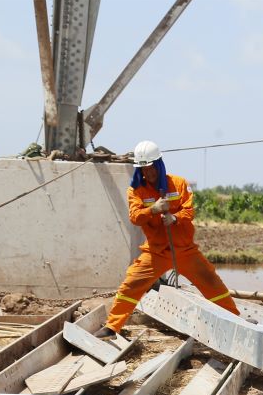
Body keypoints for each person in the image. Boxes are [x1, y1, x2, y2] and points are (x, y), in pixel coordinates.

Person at [95, 140, 239, 338]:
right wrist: (152, 209)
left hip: (185, 250)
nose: (148, 173)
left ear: (159, 165)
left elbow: (189, 210)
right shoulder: (136, 190)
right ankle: (112, 327)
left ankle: (235, 320)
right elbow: (135, 217)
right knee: (131, 285)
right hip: (156, 252)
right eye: (143, 169)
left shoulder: (178, 184)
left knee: (212, 282)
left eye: (151, 168)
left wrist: (174, 217)